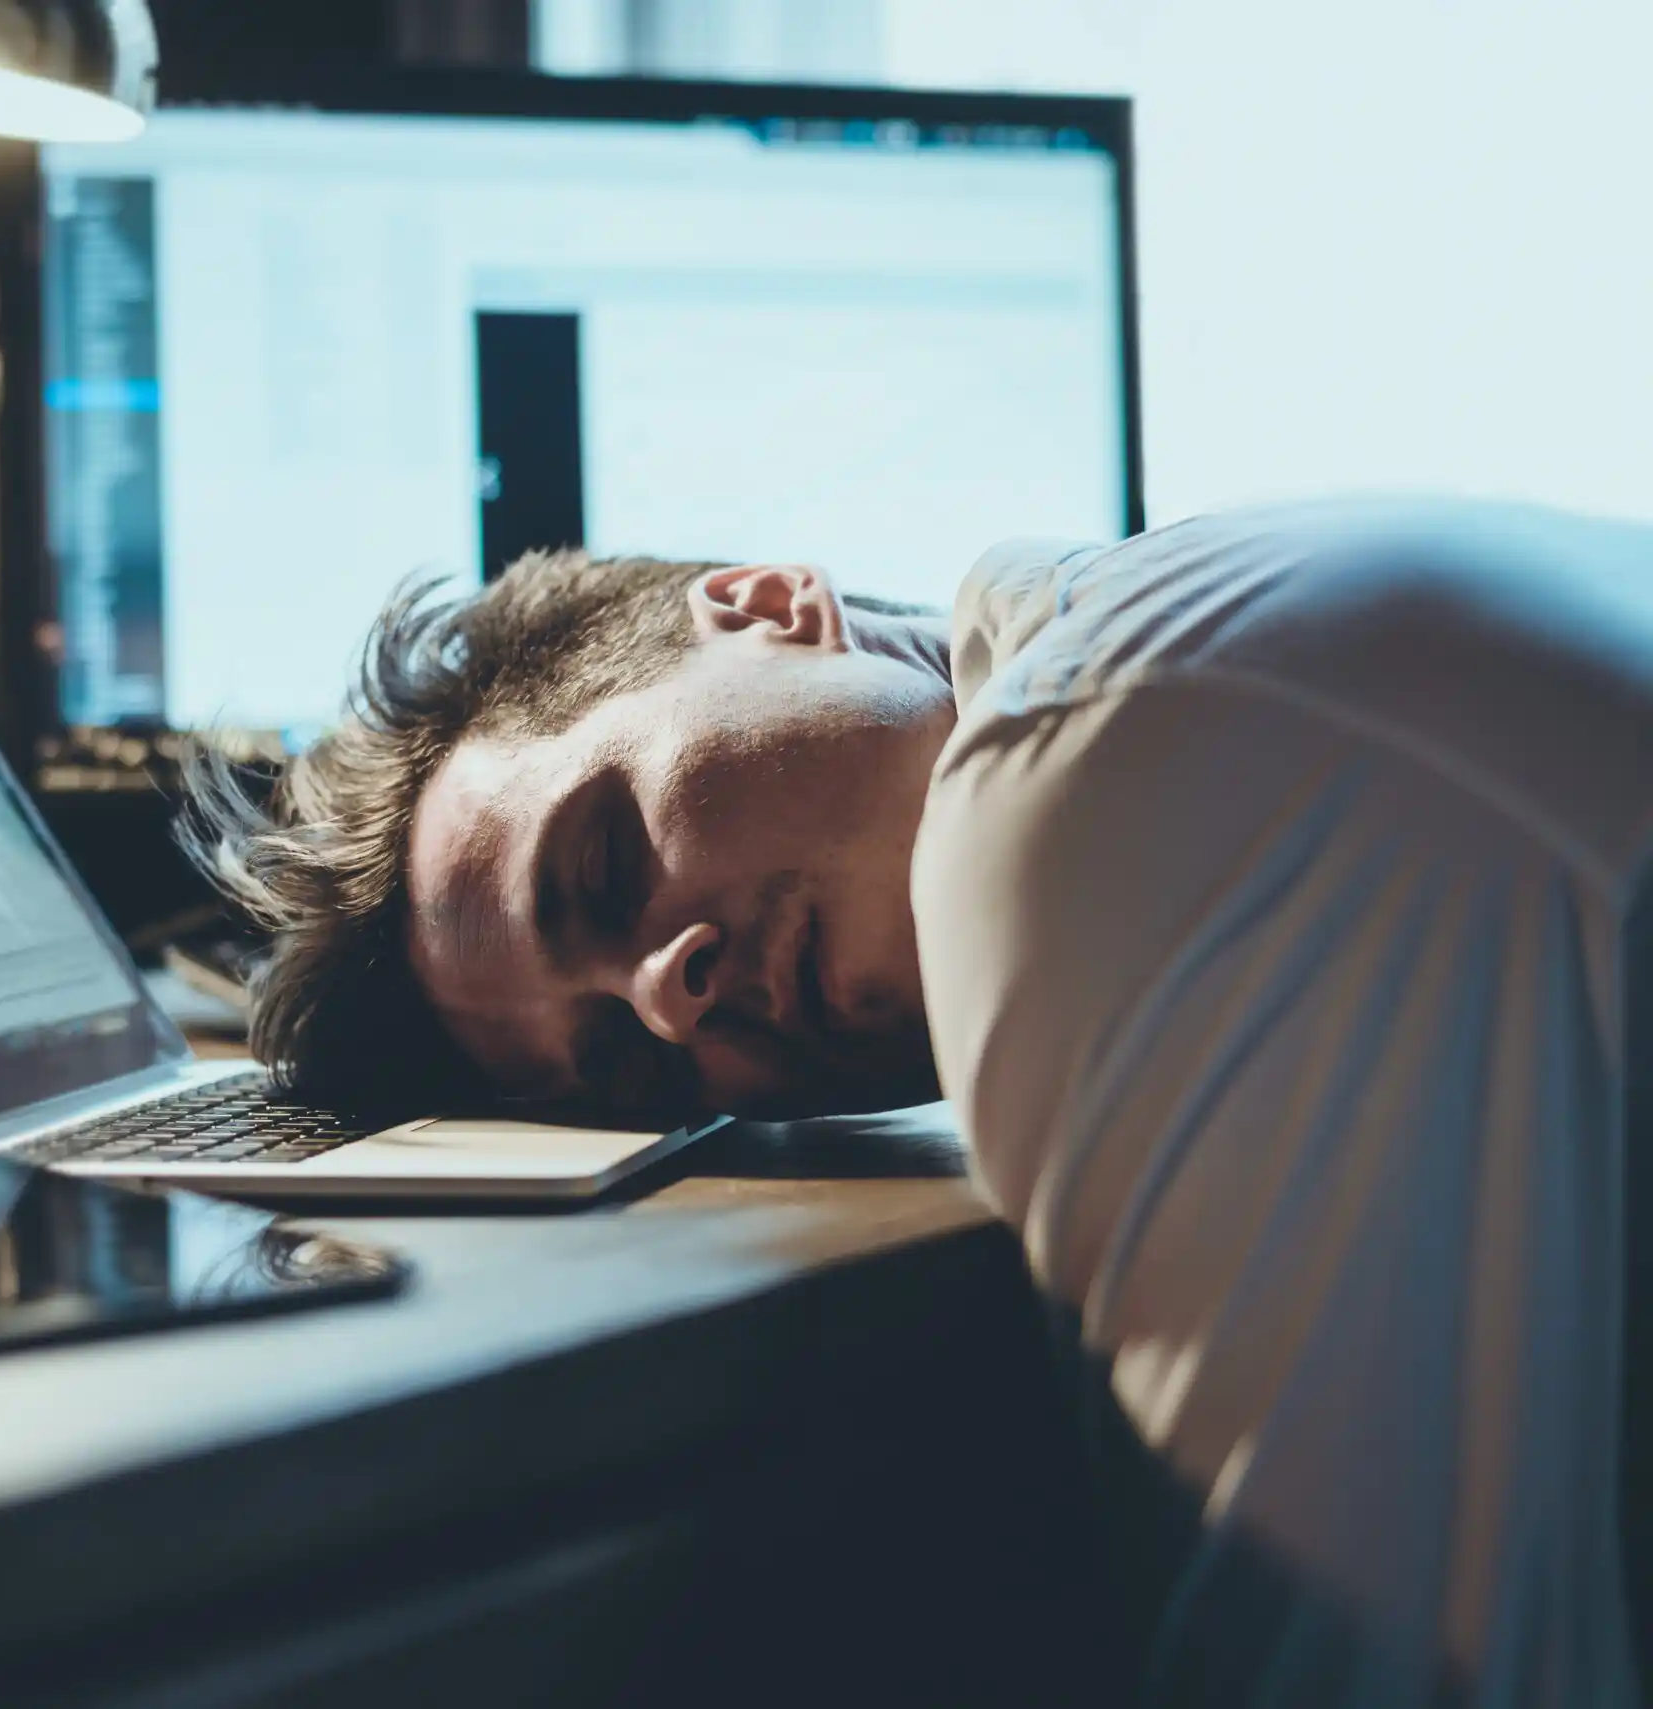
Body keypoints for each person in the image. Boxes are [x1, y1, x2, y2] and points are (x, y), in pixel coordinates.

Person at [180, 496, 1653, 1704]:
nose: (667, 999)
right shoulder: (1164, 629)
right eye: (627, 1071)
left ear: (762, 609)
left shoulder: (1094, 760)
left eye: (603, 868)